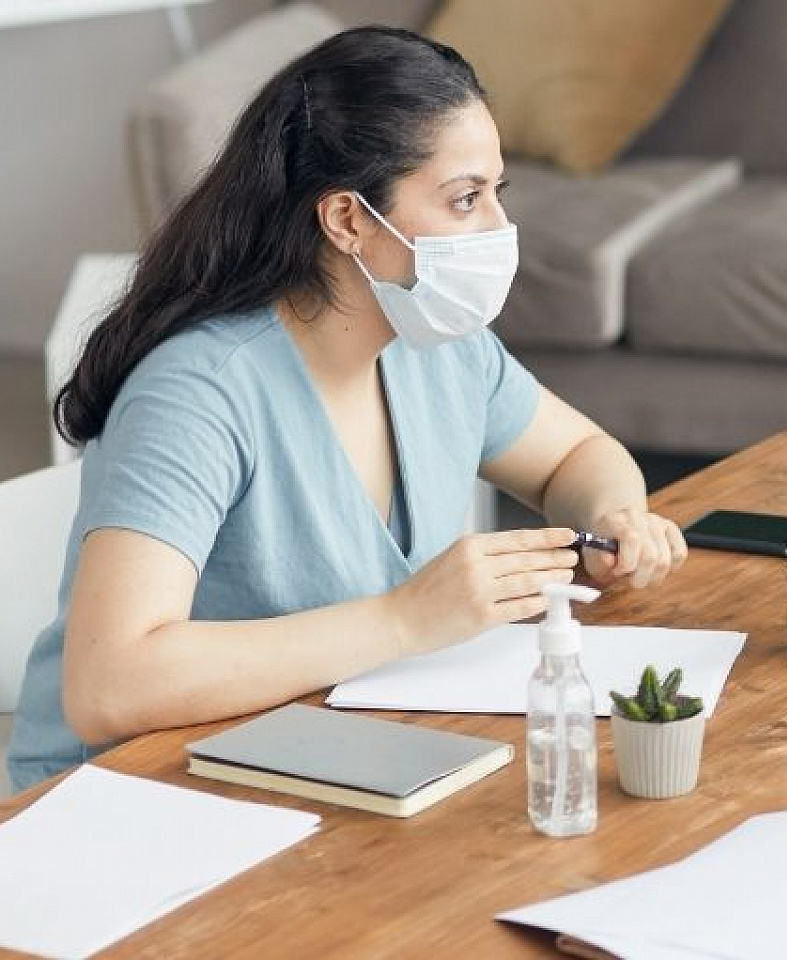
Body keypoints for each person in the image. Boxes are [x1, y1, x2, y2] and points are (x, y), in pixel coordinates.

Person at [5, 26, 687, 792]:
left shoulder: (437, 343)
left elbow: (577, 456)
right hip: (125, 799)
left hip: (319, 763)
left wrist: (616, 517)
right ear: (348, 220)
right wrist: (405, 620)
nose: (498, 229)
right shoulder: (197, 393)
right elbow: (109, 688)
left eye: (499, 192)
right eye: (464, 198)